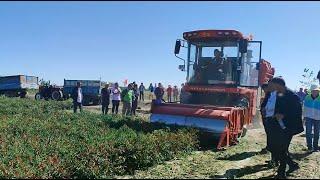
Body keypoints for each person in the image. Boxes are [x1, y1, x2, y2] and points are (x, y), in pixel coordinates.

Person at [267, 77, 303, 179]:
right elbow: (278, 109)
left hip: (290, 127)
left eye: (272, 85)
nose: (270, 87)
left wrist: (284, 115)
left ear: (278, 85)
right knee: (275, 148)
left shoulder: (292, 96)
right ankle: (292, 165)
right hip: (279, 126)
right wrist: (274, 115)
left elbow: (297, 112)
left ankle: (281, 173)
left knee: (282, 149)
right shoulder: (278, 94)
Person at [303, 84, 320, 152]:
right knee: (308, 132)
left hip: (318, 117)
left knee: (317, 132)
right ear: (311, 91)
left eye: (317, 90)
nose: (315, 92)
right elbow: (305, 108)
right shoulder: (307, 97)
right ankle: (309, 147)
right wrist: (304, 116)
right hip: (308, 117)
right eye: (314, 90)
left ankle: (315, 147)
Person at [259, 83, 272, 154]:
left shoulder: (270, 95)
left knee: (270, 133)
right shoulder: (267, 95)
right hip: (265, 116)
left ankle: (269, 147)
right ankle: (269, 146)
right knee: (268, 133)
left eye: (264, 89)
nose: (264, 90)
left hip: (268, 116)